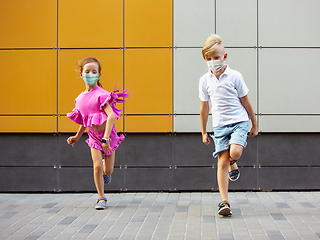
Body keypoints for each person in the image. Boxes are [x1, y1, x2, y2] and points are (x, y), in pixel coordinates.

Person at [199, 35, 258, 216]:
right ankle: (224, 201)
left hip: (239, 122)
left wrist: (254, 124)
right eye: (209, 59)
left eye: (216, 57)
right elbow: (204, 107)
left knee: (235, 153)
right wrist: (203, 132)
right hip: (220, 127)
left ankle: (234, 162)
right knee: (222, 162)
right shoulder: (204, 81)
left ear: (224, 57)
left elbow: (246, 101)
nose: (213, 62)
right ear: (205, 59)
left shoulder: (235, 76)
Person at [67, 57, 128, 210]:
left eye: (94, 71)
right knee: (97, 167)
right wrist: (77, 137)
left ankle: (105, 171)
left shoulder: (101, 94)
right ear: (81, 75)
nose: (90, 74)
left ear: (99, 75)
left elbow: (111, 116)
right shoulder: (79, 99)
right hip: (93, 136)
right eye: (87, 71)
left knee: (108, 170)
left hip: (108, 135)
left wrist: (106, 138)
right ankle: (101, 197)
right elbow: (83, 121)